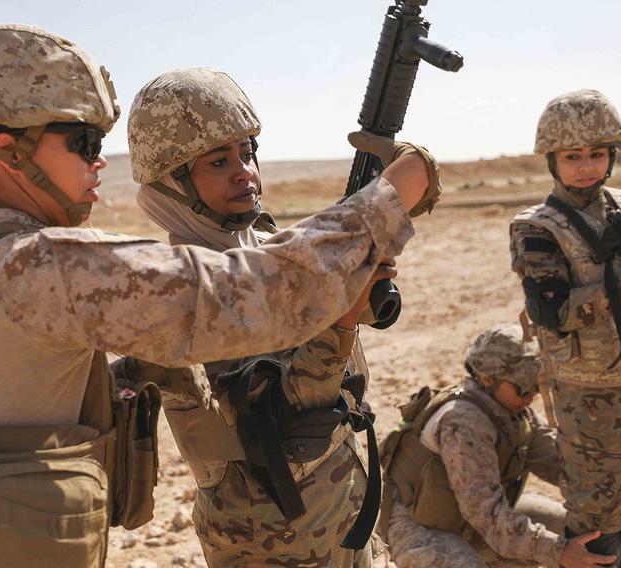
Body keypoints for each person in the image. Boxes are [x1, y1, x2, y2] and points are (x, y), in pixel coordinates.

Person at [0, 23, 439, 567]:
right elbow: (266, 293)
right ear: (10, 153)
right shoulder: (40, 266)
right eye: (84, 142)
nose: (102, 161)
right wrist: (397, 189)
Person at [119, 67, 420, 567]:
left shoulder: (262, 245)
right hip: (268, 538)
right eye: (219, 161)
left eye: (247, 153)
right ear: (172, 182)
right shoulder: (184, 286)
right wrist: (339, 319)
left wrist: (354, 282)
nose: (244, 172)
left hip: (339, 508)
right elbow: (287, 421)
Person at [510, 89, 621, 567]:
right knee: (598, 529)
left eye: (597, 154)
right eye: (573, 156)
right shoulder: (537, 227)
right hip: (595, 400)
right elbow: (552, 312)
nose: (586, 166)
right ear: (553, 160)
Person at [380, 324, 615, 568]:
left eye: (536, 385)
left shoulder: (515, 414)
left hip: (474, 521)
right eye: (523, 387)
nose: (531, 396)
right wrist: (559, 551)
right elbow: (487, 515)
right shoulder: (463, 423)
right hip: (421, 531)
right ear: (486, 379)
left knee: (581, 534)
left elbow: (563, 466)